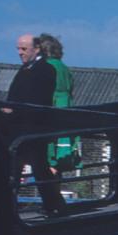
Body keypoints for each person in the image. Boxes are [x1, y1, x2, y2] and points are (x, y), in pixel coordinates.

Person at [8, 33, 61, 213]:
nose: (20, 53)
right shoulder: (24, 70)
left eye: (24, 49)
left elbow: (38, 99)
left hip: (34, 127)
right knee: (19, 168)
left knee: (39, 168)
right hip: (20, 127)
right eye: (18, 49)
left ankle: (54, 205)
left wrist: (15, 109)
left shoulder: (45, 70)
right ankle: (53, 204)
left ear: (36, 49)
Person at [39, 34, 81, 184]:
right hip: (67, 110)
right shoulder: (65, 68)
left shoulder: (46, 67)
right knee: (61, 151)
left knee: (50, 151)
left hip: (53, 108)